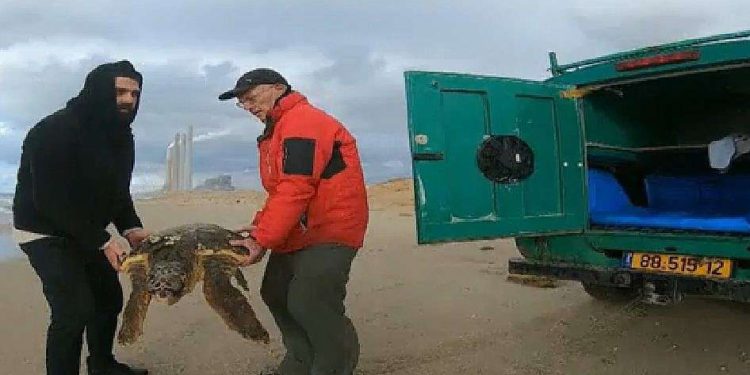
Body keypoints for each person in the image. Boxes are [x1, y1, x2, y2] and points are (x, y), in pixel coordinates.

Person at [218, 68, 369, 375]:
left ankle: (332, 366)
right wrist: (261, 225)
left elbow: (296, 187)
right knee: (275, 292)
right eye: (242, 102)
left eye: (251, 97)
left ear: (278, 87)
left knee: (310, 301)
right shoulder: (277, 129)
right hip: (299, 231)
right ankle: (300, 361)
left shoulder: (303, 122)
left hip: (330, 229)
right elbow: (280, 191)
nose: (247, 106)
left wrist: (261, 239)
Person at [12, 60, 151, 375]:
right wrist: (102, 240)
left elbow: (117, 192)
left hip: (87, 231)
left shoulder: (121, 137)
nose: (129, 99)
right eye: (120, 92)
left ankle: (102, 365)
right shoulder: (53, 130)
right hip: (42, 231)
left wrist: (131, 228)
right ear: (98, 91)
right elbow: (49, 200)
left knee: (108, 300)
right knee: (73, 310)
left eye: (135, 93)